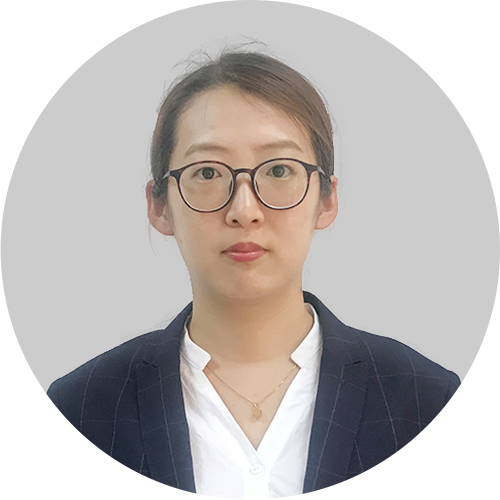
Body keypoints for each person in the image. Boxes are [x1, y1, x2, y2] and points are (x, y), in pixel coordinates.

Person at [47, 49, 460, 498]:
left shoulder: (427, 402)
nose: (244, 210)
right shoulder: (80, 410)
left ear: (326, 199)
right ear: (159, 205)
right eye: (207, 172)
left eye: (279, 170)